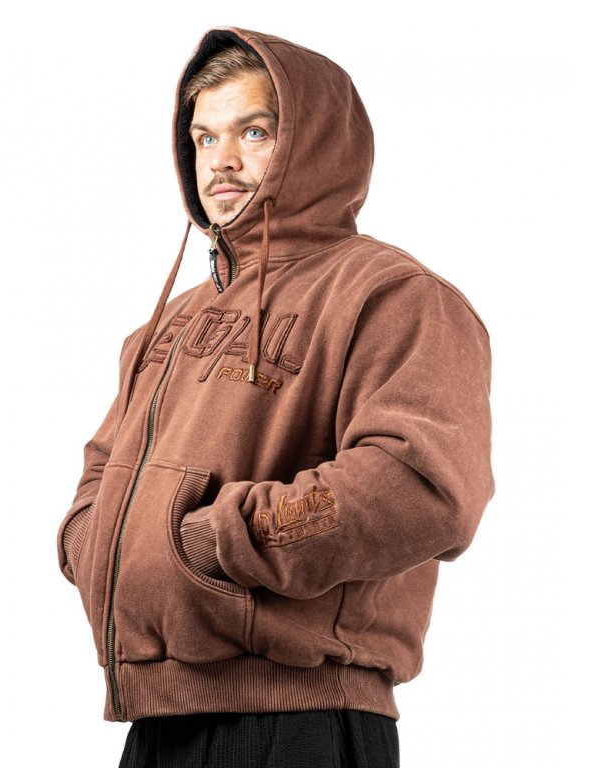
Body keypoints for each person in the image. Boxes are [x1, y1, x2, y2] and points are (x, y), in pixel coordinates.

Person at [56, 27, 495, 767]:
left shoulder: (392, 295)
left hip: (300, 718)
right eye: (205, 137)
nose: (220, 161)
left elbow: (421, 488)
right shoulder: (165, 325)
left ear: (313, 144)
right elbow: (100, 475)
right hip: (157, 719)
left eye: (252, 132)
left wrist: (210, 543)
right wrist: (96, 546)